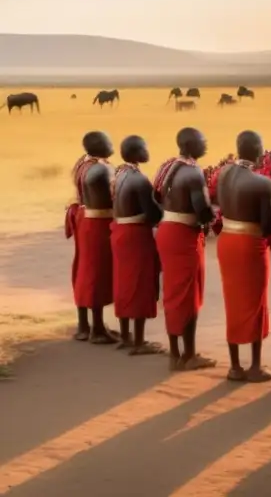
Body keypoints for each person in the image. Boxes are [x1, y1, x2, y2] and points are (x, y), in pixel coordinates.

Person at [154, 127, 217, 371]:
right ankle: (189, 355)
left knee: (172, 292)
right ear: (191, 146)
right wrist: (215, 215)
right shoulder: (193, 172)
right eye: (203, 142)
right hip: (184, 236)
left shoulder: (167, 166)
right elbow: (201, 210)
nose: (206, 146)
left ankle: (175, 353)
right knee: (189, 296)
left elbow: (156, 196)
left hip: (167, 230)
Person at [216, 131, 271, 383]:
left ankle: (234, 366)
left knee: (233, 302)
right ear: (255, 150)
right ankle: (254, 366)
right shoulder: (262, 183)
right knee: (255, 303)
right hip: (250, 245)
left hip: (226, 241)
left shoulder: (223, 174)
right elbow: (269, 226)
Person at [110, 135, 164, 355]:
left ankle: (125, 336)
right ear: (135, 153)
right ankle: (139, 341)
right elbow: (153, 215)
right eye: (144, 147)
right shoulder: (139, 180)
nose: (147, 151)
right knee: (140, 283)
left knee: (124, 282)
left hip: (120, 232)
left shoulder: (120, 173)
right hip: (136, 235)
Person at [67, 132, 117, 344]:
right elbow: (114, 197)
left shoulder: (82, 163)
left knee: (83, 268)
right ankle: (97, 328)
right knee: (98, 272)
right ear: (100, 146)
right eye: (109, 141)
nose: (112, 145)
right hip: (99, 223)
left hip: (83, 219)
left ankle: (84, 325)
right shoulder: (103, 168)